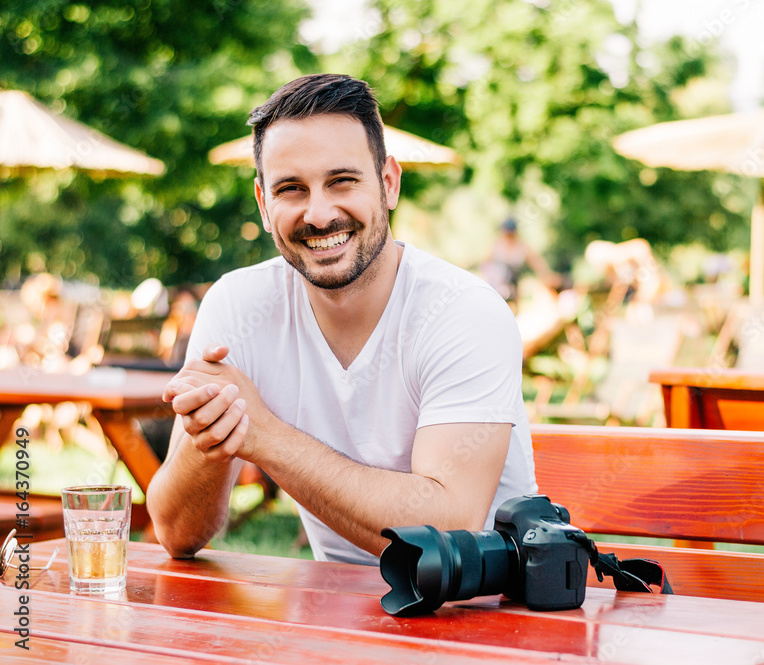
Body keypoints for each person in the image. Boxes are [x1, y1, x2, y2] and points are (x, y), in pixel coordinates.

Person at [146, 74, 537, 565]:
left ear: (389, 183)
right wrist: (212, 430)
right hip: (334, 616)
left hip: (484, 617)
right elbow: (177, 533)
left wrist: (266, 436)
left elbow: (448, 532)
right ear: (264, 206)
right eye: (291, 189)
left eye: (342, 181)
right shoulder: (238, 307)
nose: (319, 213)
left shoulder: (464, 312)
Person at [480, 217, 560, 310]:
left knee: (513, 307)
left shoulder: (521, 246)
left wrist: (547, 275)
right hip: (497, 282)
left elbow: (536, 262)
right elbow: (485, 263)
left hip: (514, 283)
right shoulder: (497, 244)